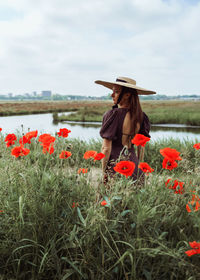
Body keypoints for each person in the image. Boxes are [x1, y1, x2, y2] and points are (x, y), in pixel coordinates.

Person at [95, 76, 156, 183]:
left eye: (116, 92)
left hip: (116, 168)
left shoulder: (112, 115)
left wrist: (104, 171)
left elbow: (106, 148)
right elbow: (141, 148)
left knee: (109, 198)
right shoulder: (141, 117)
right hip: (136, 169)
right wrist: (138, 167)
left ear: (127, 95)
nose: (112, 95)